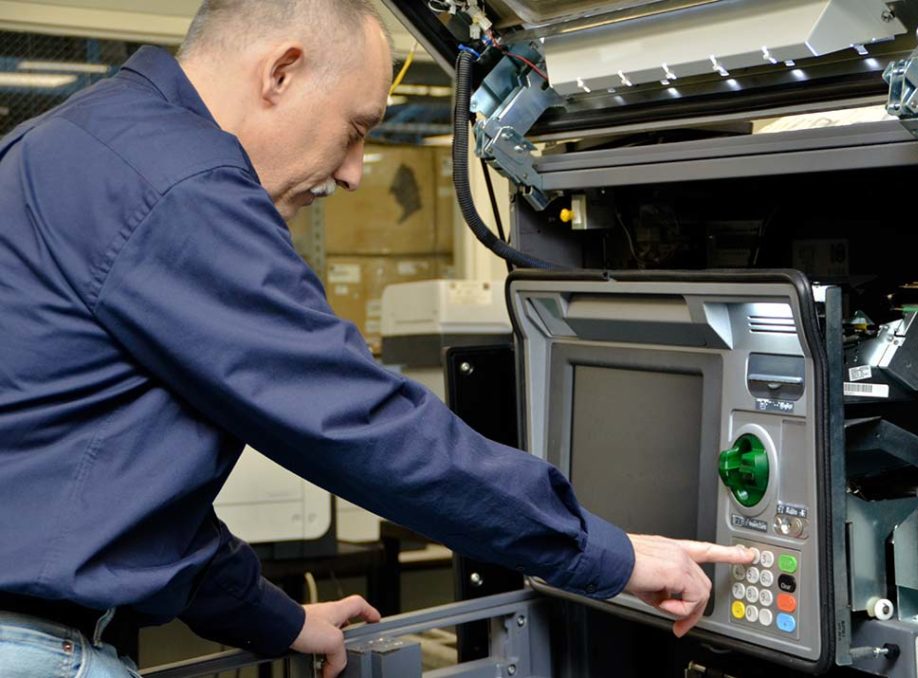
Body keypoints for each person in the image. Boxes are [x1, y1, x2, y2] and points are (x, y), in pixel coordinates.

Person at [0, 1, 755, 676]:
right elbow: (356, 421)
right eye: (356, 130)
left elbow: (113, 501)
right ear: (281, 73)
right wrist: (605, 552)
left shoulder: (65, 142)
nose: (356, 173)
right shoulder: (178, 183)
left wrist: (277, 619)